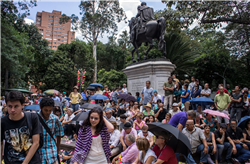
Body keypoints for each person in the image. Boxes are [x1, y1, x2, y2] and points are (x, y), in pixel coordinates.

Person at [0, 91, 42, 164]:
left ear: (22, 105)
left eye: (16, 106)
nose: (12, 110)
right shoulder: (2, 122)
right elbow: (0, 143)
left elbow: (36, 143)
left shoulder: (32, 118)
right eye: (10, 106)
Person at [39, 97, 64, 164]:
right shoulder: (35, 118)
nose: (48, 112)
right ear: (41, 107)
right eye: (45, 110)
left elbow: (59, 134)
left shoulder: (55, 119)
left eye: (50, 110)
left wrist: (57, 150)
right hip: (39, 152)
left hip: (52, 151)